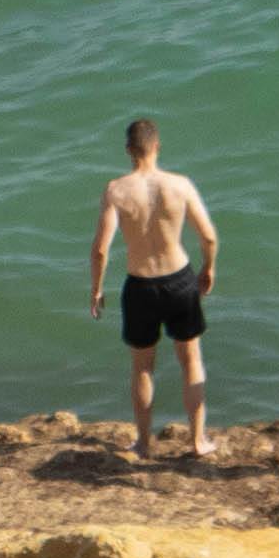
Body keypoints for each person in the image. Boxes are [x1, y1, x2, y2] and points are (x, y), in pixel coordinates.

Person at [88, 117, 219, 461]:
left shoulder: (116, 190)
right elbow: (208, 236)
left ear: (129, 151)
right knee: (191, 360)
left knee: (143, 367)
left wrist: (97, 289)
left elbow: (101, 248)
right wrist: (208, 268)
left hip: (140, 286)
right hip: (179, 279)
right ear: (157, 146)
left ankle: (144, 444)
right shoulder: (180, 185)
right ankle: (197, 442)